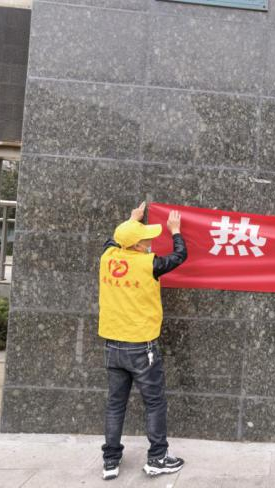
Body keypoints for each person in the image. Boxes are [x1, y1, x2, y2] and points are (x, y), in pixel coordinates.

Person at [98, 202, 187, 480]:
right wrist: (175, 231)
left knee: (115, 404)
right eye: (145, 239)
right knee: (154, 403)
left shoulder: (107, 257)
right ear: (136, 246)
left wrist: (131, 219)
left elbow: (113, 240)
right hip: (141, 347)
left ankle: (110, 462)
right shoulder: (149, 264)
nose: (150, 242)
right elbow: (179, 256)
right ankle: (157, 458)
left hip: (112, 345)